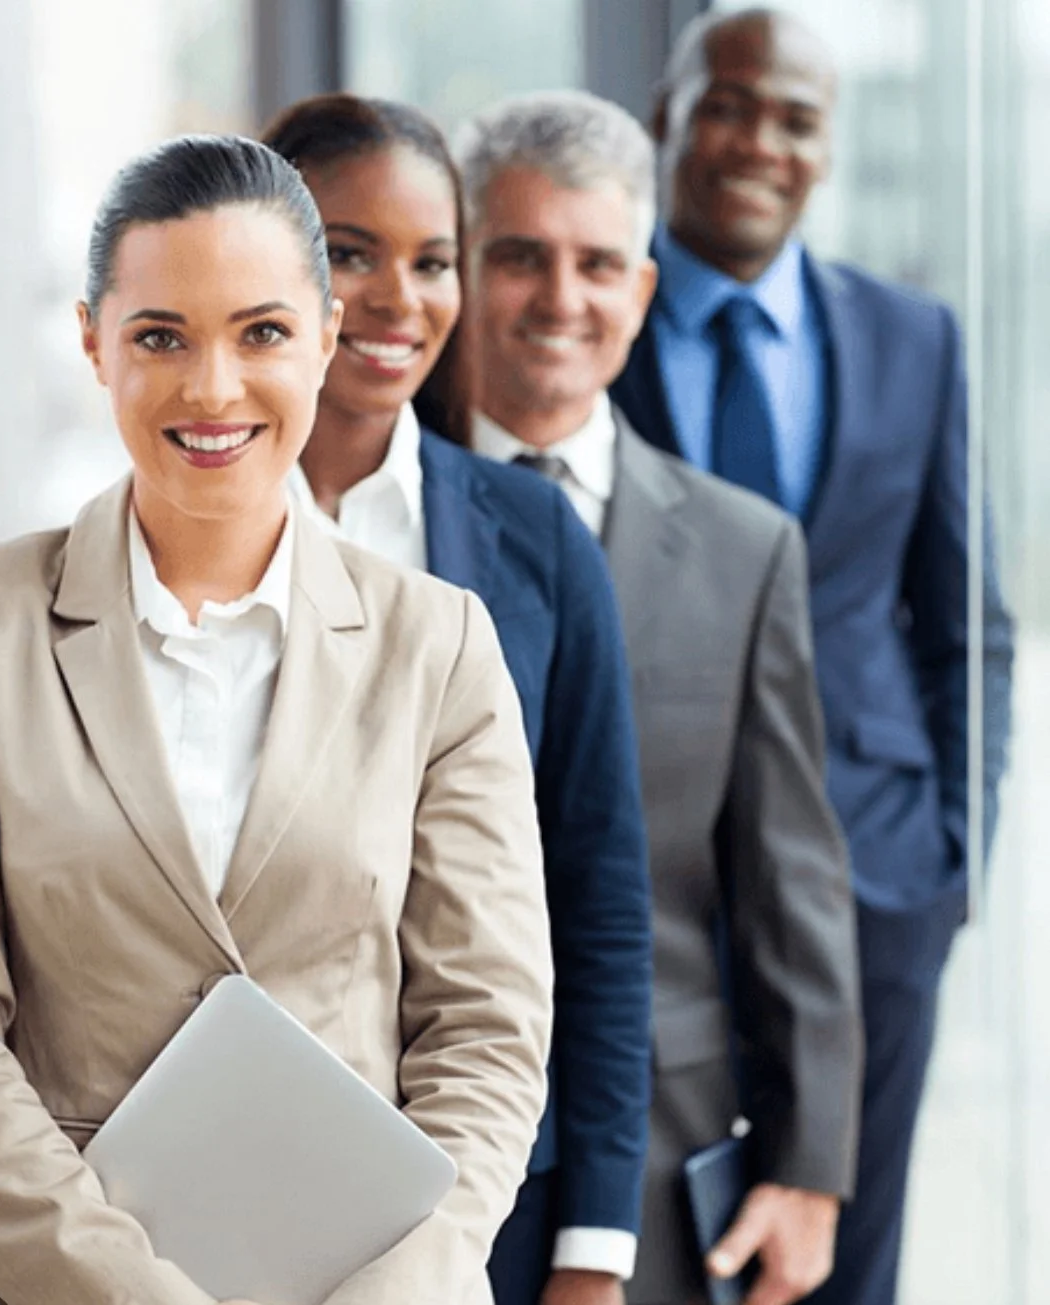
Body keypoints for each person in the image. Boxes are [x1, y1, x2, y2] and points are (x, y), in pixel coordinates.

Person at [0, 134, 555, 1305]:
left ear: (326, 341)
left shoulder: (435, 645)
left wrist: (410, 1281)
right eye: (160, 336)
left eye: (260, 333)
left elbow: (486, 1026)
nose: (212, 389)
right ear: (93, 341)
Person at [609, 10, 1015, 1304]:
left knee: (847, 1266)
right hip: (649, 896)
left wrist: (951, 860)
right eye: (730, 104)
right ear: (668, 113)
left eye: (794, 119)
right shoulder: (583, 326)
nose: (758, 142)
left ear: (826, 151)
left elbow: (966, 626)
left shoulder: (914, 340)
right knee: (651, 1257)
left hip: (871, 887)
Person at [454, 88, 863, 1305]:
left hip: (662, 1147)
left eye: (596, 264)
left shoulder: (745, 552)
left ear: (641, 291)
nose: (559, 299)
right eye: (518, 256)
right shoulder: (378, 519)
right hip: (418, 1143)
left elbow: (788, 876)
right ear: (462, 270)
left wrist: (807, 1167)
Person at [261, 96, 653, 1305]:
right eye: (347, 252)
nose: (396, 297)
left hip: (490, 1198)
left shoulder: (534, 539)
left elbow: (598, 902)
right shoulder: (170, 531)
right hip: (224, 1177)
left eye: (432, 259)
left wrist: (593, 1240)